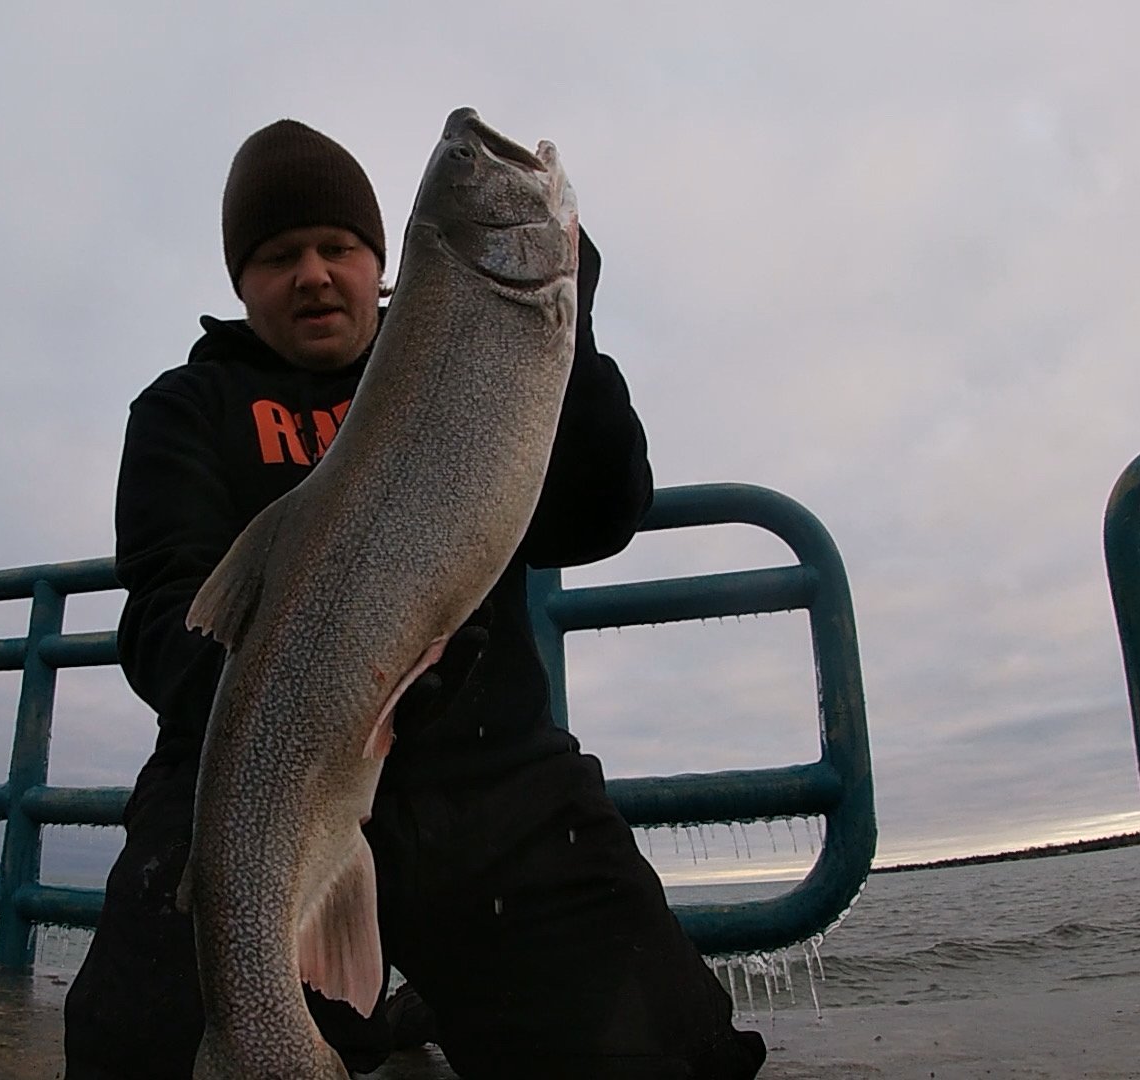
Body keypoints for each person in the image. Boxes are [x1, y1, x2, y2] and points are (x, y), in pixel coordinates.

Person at [64, 117, 767, 1080]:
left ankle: (431, 1002)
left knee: (659, 1051)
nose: (313, 274)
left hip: (488, 773)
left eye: (337, 247)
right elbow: (164, 611)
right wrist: (316, 688)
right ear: (240, 280)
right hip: (249, 776)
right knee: (133, 1044)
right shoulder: (186, 410)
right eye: (278, 256)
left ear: (381, 259)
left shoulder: (471, 350)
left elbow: (601, 515)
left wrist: (571, 335)